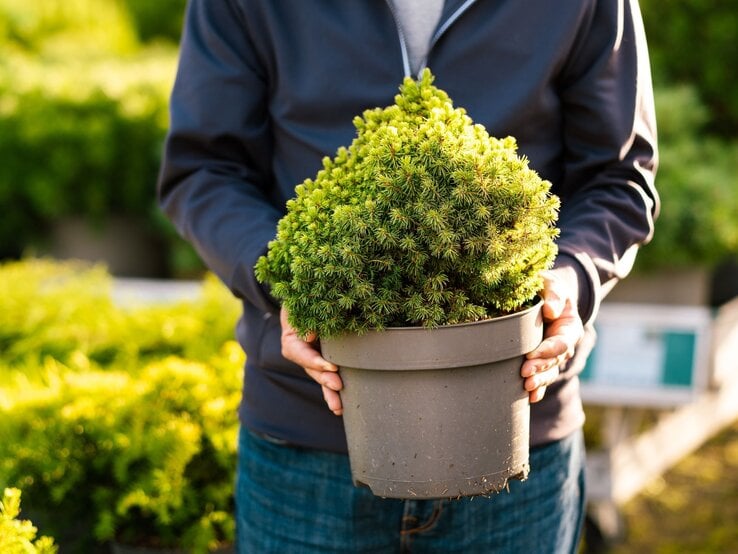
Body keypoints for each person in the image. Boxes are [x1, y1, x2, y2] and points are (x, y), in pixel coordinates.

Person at [158, 1, 658, 552]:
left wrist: (571, 279)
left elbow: (619, 177)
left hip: (517, 429)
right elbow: (204, 170)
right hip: (308, 443)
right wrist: (291, 282)